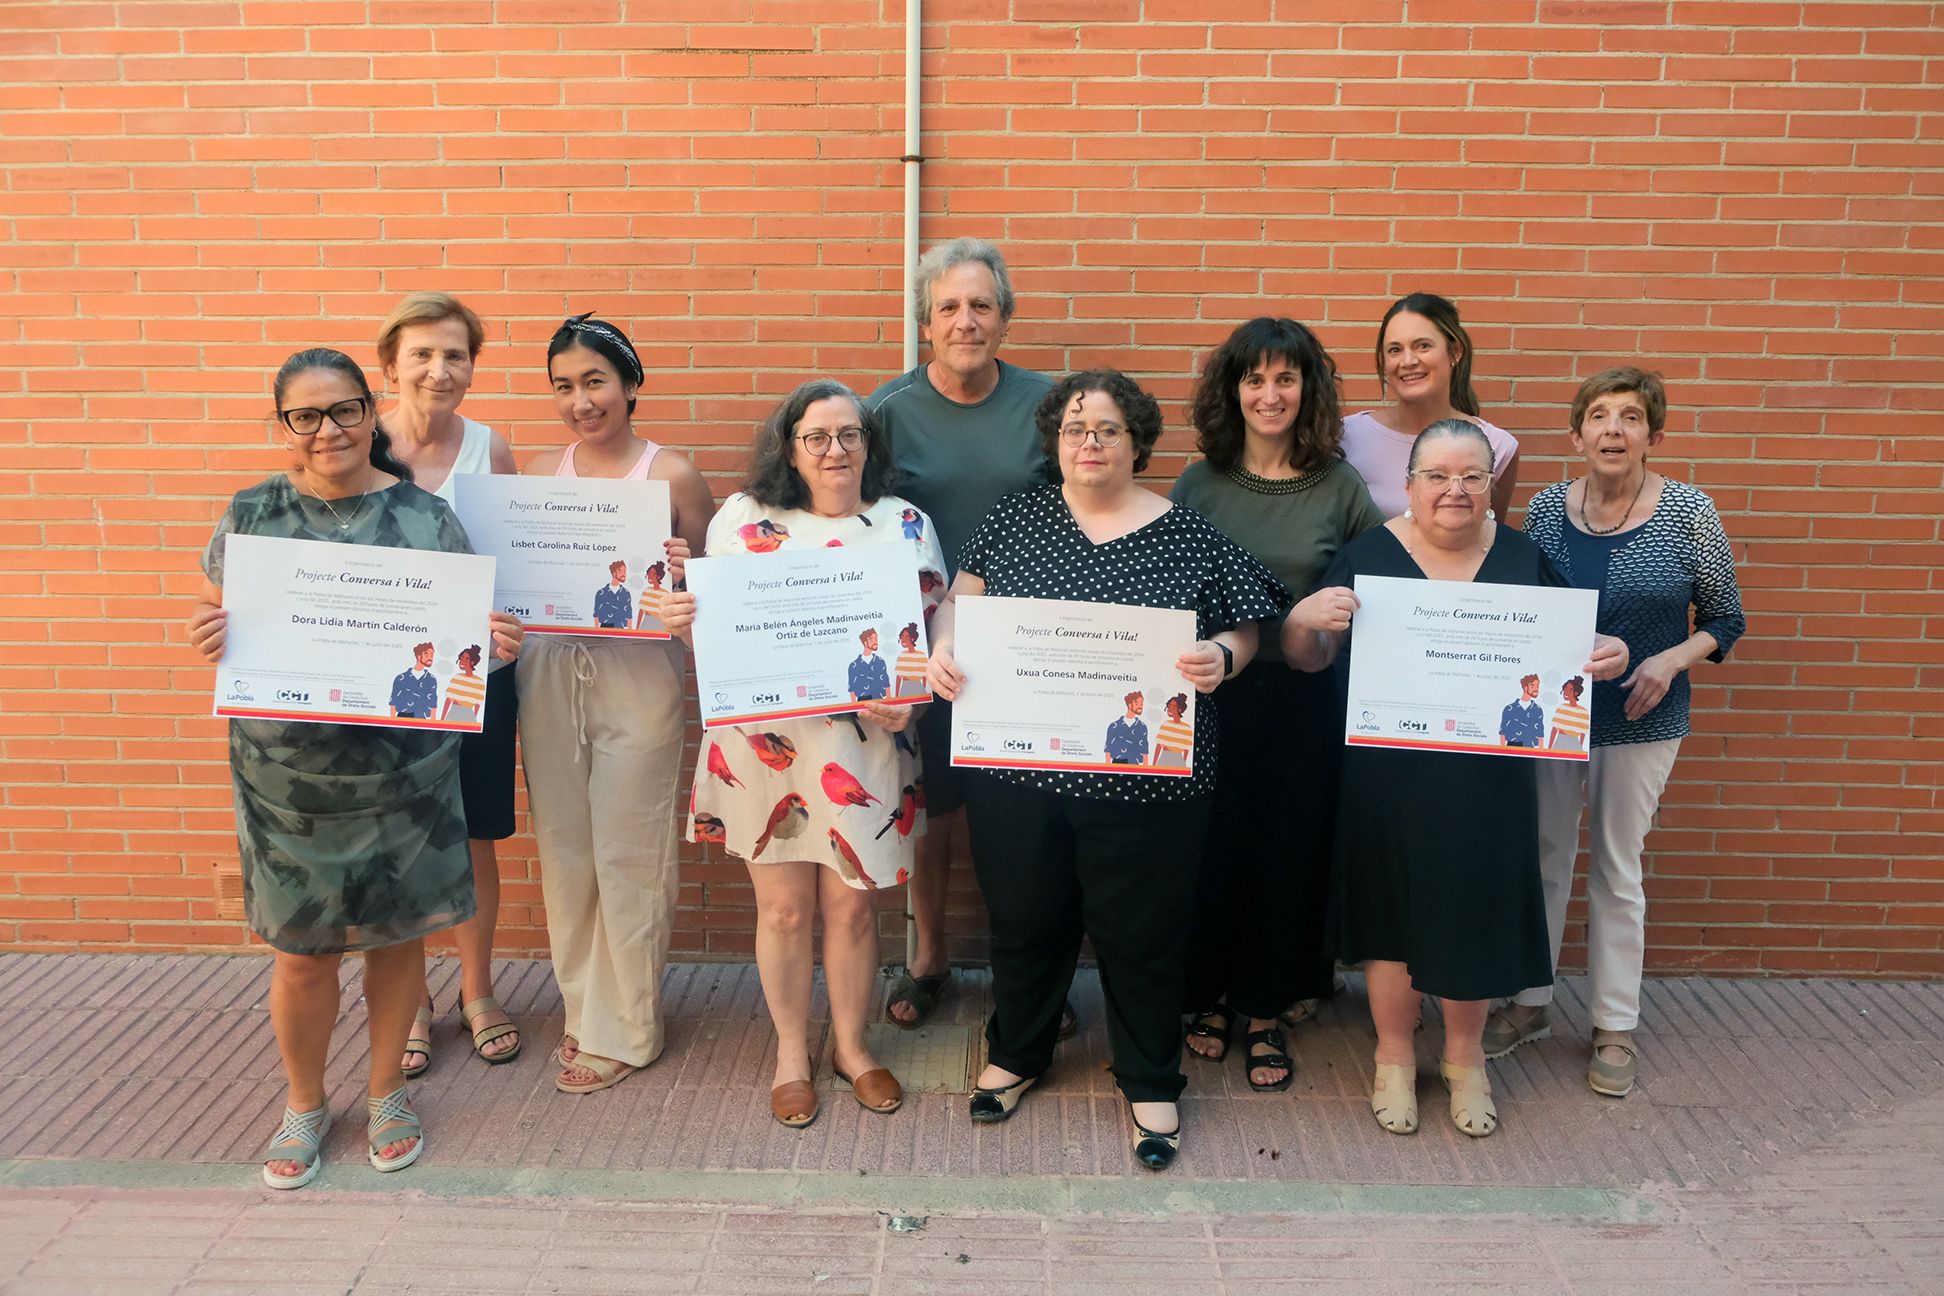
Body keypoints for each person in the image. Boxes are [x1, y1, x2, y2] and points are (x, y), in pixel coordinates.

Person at [927, 369, 1290, 1170]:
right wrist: (945, 644)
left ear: (1137, 442)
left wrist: (1222, 656)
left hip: (1146, 787)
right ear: (1055, 442)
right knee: (1024, 921)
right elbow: (960, 598)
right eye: (1074, 429)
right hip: (1017, 773)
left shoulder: (1186, 533)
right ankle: (1017, 1052)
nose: (1088, 442)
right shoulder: (1016, 516)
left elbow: (1248, 625)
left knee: (1142, 933)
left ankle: (1150, 1077)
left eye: (1107, 429)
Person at [186, 347, 523, 1189]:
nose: (327, 429)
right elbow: (216, 607)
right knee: (302, 953)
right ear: (283, 426)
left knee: (395, 938)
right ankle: (305, 1102)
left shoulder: (427, 518)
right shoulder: (252, 514)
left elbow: (462, 639)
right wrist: (209, 631)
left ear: (371, 412)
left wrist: (491, 645)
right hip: (288, 780)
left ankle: (384, 1094)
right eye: (305, 415)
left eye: (343, 410)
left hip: (404, 775)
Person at [1284, 419, 1628, 1139]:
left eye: (1472, 476)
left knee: (1476, 908)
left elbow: (1572, 651)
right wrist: (1303, 621)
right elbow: (1308, 658)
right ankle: (1394, 1054)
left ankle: (1466, 1059)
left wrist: (1609, 652)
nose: (1455, 490)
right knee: (1391, 913)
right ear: (1409, 486)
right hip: (1387, 776)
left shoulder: (1522, 558)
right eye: (1437, 476)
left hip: (1489, 782)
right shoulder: (1368, 556)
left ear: (1491, 486)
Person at [665, 379, 948, 1128]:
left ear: (868, 444)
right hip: (767, 749)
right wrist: (684, 621)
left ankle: (851, 1047)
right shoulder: (741, 518)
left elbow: (933, 637)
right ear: (789, 449)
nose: (835, 450)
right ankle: (792, 1052)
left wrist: (915, 698)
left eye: (850, 435)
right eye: (816, 437)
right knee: (785, 911)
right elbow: (716, 640)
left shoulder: (906, 523)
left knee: (853, 910)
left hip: (868, 744)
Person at [1487, 368, 1746, 1097]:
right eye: (1598, 416)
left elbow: (1725, 617)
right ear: (1576, 435)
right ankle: (1531, 1001)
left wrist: (1669, 659)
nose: (1612, 430)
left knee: (1616, 866)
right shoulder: (1546, 508)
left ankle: (1613, 1024)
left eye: (1630, 417)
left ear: (1652, 435)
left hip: (1641, 715)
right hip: (1555, 716)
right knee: (1543, 853)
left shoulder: (1688, 511)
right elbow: (1530, 605)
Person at [1172, 316, 1386, 1092]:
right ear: (1233, 390)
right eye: (1254, 379)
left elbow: (1382, 582)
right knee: (1213, 848)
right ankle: (1210, 997)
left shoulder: (1340, 486)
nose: (1270, 394)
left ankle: (1265, 1010)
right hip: (1214, 696)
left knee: (1286, 852)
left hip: (1304, 701)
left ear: (1308, 389)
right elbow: (1173, 587)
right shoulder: (1200, 483)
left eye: (1286, 378)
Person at [519, 313, 715, 1094]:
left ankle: (627, 1027)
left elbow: (713, 586)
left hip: (638, 677)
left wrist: (684, 569)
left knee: (631, 851)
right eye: (563, 386)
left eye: (595, 381)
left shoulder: (672, 475)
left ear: (630, 384)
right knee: (566, 850)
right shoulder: (540, 471)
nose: (581, 401)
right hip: (548, 673)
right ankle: (583, 1008)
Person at [868, 237, 1055, 1030]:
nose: (965, 321)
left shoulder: (1050, 406)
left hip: (1029, 647)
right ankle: (930, 960)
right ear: (926, 324)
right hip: (927, 648)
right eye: (948, 307)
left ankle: (1029, 980)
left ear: (1004, 319)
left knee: (1025, 819)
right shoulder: (886, 412)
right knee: (934, 811)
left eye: (981, 305)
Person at [375, 291, 525, 1077]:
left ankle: (476, 989)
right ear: (390, 366)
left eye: (455, 355)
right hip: (384, 684)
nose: (440, 369)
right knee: (399, 838)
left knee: (474, 836)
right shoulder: (358, 444)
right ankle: (411, 1003)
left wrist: (513, 619)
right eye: (423, 354)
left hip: (476, 678)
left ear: (472, 367)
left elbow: (511, 564)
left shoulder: (490, 449)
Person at [1341, 293, 1520, 519]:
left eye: (1423, 346)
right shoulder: (1346, 436)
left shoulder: (1497, 445)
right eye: (1395, 350)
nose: (1408, 361)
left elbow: (1491, 534)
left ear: (1455, 352)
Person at [440, 645, 487, 725]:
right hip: (454, 712)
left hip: (468, 715)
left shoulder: (479, 682)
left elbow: (478, 703)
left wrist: (475, 718)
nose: (462, 661)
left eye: (466, 659)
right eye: (461, 658)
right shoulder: (457, 678)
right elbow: (448, 700)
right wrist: (442, 719)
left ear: (472, 662)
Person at [389, 643, 439, 719]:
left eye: (432, 655)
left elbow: (433, 704)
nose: (430, 658)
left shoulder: (431, 679)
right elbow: (393, 702)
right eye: (426, 655)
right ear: (419, 656)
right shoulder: (401, 678)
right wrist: (393, 721)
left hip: (421, 718)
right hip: (403, 717)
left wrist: (432, 723)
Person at [1104, 692, 1148, 765]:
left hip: (1134, 764)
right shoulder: (1114, 726)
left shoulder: (1142, 726)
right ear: (1130, 705)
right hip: (1117, 764)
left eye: (1141, 703)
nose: (1140, 706)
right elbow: (1108, 750)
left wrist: (1145, 769)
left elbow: (1145, 751)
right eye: (1137, 703)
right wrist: (1108, 768)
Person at [1500, 674, 1544, 748]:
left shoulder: (1537, 709)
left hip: (1530, 747)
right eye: (1532, 685)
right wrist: (1502, 751)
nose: (1536, 689)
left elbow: (1540, 734)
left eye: (1537, 686)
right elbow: (1502, 732)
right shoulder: (1509, 709)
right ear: (1525, 687)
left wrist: (1541, 752)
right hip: (1512, 747)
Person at [1547, 676, 1589, 752]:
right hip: (1560, 741)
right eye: (1565, 689)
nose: (1565, 692)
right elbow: (1554, 729)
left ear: (1576, 693)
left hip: (1574, 743)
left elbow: (1583, 732)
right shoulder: (1562, 708)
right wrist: (1549, 748)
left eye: (1570, 690)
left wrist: (1580, 747)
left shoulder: (1583, 712)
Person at [848, 628, 891, 701]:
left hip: (879, 699)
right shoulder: (854, 665)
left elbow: (886, 684)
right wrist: (854, 706)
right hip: (862, 701)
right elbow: (851, 689)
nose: (875, 642)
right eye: (871, 639)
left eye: (876, 639)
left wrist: (890, 702)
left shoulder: (880, 662)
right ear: (865, 642)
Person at [1151, 694, 1192, 769]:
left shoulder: (1187, 728)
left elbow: (1187, 749)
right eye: (1169, 706)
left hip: (1179, 761)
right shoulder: (1166, 724)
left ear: (1180, 709)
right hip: (1165, 758)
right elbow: (1159, 746)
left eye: (1174, 707)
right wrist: (1153, 765)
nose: (1169, 709)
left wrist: (1184, 763)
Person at [593, 561, 633, 628]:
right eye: (620, 571)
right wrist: (597, 631)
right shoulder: (601, 593)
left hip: (620, 628)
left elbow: (629, 616)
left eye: (624, 571)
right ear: (614, 573)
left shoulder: (626, 593)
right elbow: (596, 615)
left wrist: (629, 631)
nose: (623, 574)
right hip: (604, 628)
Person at [893, 622, 928, 697]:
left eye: (907, 636)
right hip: (905, 688)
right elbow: (898, 677)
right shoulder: (902, 655)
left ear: (912, 639)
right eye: (902, 636)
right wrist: (896, 696)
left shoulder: (921, 655)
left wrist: (925, 691)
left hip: (919, 689)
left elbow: (925, 676)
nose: (903, 639)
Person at [634, 561, 668, 631]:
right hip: (647, 622)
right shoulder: (647, 591)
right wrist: (637, 628)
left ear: (658, 576)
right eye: (649, 573)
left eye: (653, 574)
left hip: (660, 624)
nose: (650, 576)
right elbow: (641, 610)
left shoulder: (665, 594)